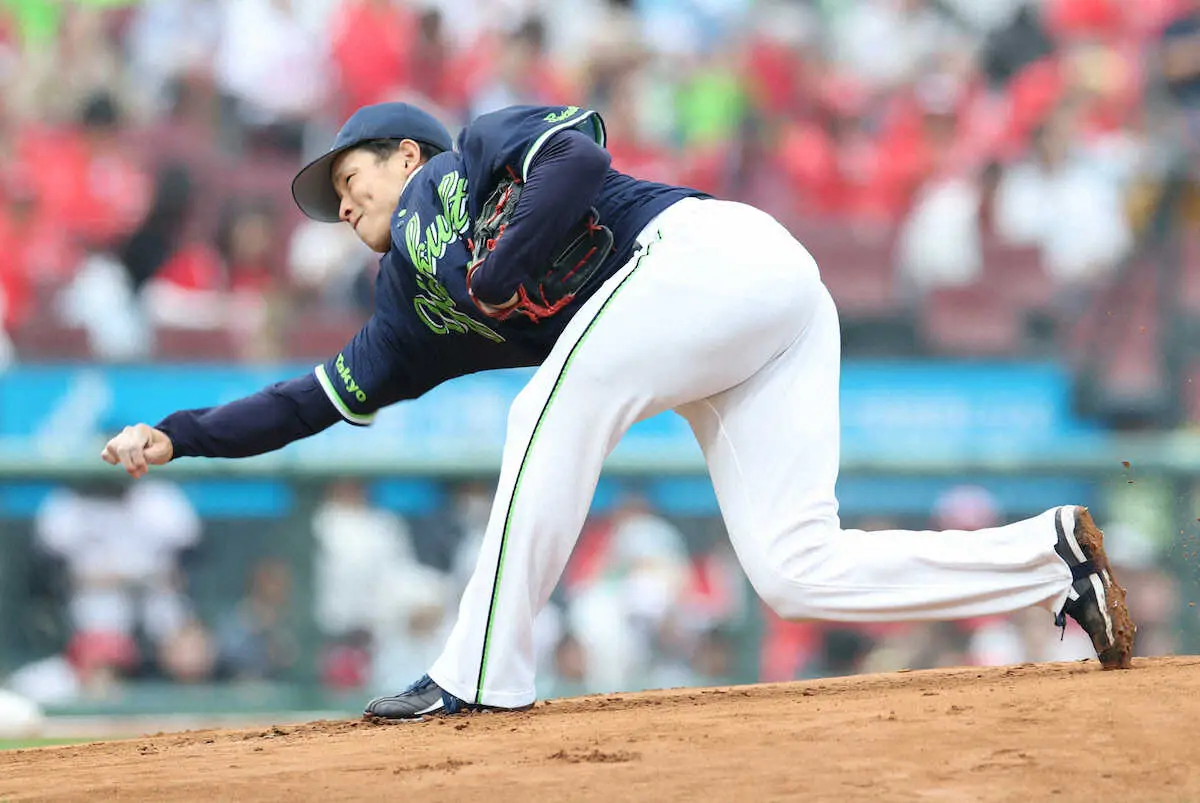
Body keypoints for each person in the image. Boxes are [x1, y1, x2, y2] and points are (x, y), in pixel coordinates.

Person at [102, 101, 1135, 720]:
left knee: (549, 403)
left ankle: (477, 678)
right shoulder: (401, 324)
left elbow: (580, 160)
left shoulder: (462, 158)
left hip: (710, 255)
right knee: (793, 568)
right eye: (331, 200)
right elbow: (303, 401)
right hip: (747, 325)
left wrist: (499, 258)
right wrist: (181, 430)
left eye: (351, 174)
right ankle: (1053, 555)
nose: (342, 201)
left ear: (407, 156)